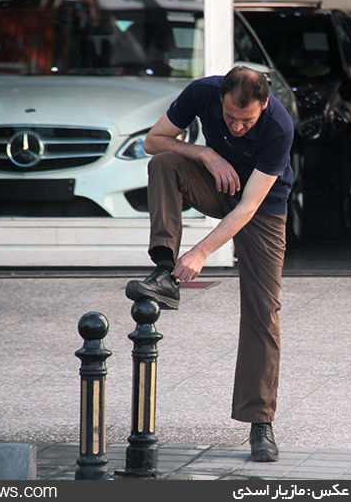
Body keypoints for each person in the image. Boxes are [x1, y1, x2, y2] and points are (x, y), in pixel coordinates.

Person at [125, 65, 294, 462]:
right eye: (231, 117)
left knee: (263, 312)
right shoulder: (201, 92)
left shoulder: (279, 127)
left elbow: (248, 207)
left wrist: (200, 252)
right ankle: (164, 272)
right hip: (215, 182)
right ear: (220, 99)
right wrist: (203, 151)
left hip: (262, 208)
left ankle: (260, 422)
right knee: (164, 162)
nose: (237, 127)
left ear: (264, 105)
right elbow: (154, 141)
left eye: (246, 120)